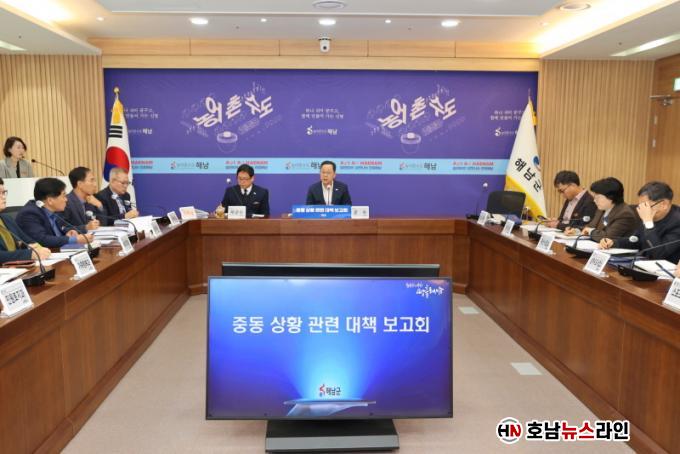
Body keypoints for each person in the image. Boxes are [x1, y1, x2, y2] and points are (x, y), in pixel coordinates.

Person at [600, 181, 680, 263]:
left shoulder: (677, 222)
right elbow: (637, 240)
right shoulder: (650, 215)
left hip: (665, 269)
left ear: (664, 205)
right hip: (643, 263)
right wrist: (614, 242)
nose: (642, 210)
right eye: (640, 206)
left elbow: (659, 253)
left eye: (646, 206)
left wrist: (648, 222)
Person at [15, 178, 94, 248]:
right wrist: (74, 239)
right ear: (50, 200)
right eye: (63, 196)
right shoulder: (29, 214)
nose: (66, 199)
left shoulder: (54, 210)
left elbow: (60, 229)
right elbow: (42, 240)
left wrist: (67, 233)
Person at [564, 177, 638, 242]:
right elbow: (591, 226)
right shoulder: (602, 209)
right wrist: (576, 231)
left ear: (611, 197)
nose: (594, 200)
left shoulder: (624, 214)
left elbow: (607, 237)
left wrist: (589, 231)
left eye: (598, 197)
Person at [0, 178, 51, 263]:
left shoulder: (7, 219)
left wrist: (36, 248)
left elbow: (28, 241)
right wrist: (29, 254)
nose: (4, 197)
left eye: (3, 192)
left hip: (17, 267)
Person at [63, 167, 104, 232]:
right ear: (80, 184)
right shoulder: (66, 202)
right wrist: (85, 227)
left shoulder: (93, 199)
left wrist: (99, 205)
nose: (95, 184)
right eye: (91, 180)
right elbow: (63, 229)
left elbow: (103, 224)